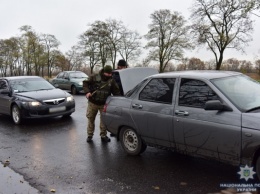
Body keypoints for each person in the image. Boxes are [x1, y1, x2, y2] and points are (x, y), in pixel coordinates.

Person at [83, 65, 121, 143]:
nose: (109, 75)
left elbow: (116, 92)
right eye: (108, 73)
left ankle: (103, 135)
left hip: (104, 104)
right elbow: (85, 83)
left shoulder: (111, 81)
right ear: (104, 72)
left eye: (110, 73)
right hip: (93, 102)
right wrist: (87, 92)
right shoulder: (95, 77)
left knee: (103, 121)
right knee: (91, 119)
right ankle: (89, 135)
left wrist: (121, 100)